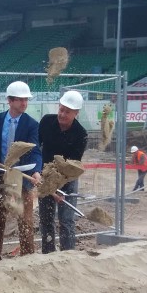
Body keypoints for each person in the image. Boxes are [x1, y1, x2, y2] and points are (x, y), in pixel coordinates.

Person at [0, 81, 42, 262]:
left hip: (22, 178)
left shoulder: (31, 124)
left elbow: (35, 151)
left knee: (25, 220)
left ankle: (27, 257)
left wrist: (36, 170)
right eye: (20, 100)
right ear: (10, 101)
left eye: (26, 100)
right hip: (0, 176)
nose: (24, 104)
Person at [37, 91, 89, 254]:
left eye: (67, 112)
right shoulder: (46, 122)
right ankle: (48, 253)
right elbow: (36, 149)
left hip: (68, 178)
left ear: (76, 113)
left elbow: (72, 167)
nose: (62, 114)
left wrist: (59, 190)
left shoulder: (81, 134)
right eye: (61, 109)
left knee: (66, 220)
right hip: (45, 176)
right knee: (46, 219)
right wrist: (45, 182)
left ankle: (68, 255)